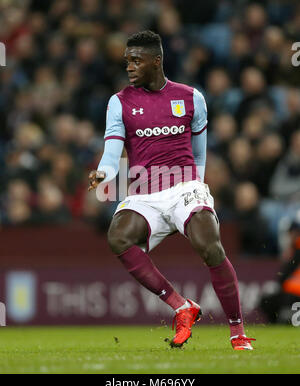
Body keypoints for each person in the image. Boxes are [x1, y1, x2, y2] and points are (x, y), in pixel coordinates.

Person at [88, 31, 255, 350]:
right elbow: (112, 153)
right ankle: (182, 306)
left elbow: (200, 153)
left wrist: (198, 189)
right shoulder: (119, 102)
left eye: (136, 60)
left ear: (157, 60)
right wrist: (104, 173)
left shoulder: (192, 97)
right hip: (143, 195)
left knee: (209, 246)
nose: (129, 67)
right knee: (118, 236)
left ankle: (237, 332)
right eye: (127, 61)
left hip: (185, 187)